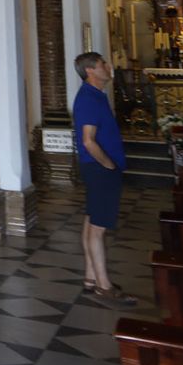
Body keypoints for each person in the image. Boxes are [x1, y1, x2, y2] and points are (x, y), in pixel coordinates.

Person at [72, 50, 135, 306]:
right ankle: (104, 285)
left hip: (97, 168)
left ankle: (91, 278)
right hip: (100, 169)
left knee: (92, 221)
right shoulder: (89, 98)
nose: (108, 67)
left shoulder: (96, 96)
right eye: (102, 64)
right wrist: (108, 164)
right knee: (98, 229)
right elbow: (89, 141)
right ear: (90, 70)